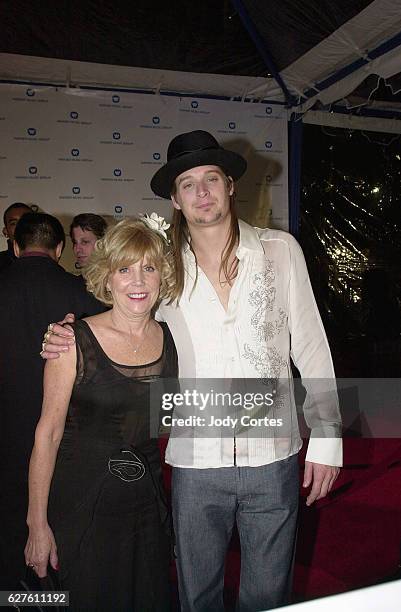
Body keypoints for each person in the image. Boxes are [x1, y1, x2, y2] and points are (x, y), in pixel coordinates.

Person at [42, 130, 342, 612]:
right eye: (188, 184)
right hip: (195, 463)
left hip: (274, 457)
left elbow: (310, 345)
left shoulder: (280, 251)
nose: (201, 192)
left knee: (269, 597)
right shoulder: (162, 267)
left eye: (211, 179)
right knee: (195, 597)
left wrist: (328, 436)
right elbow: (121, 310)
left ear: (230, 186)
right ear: (176, 201)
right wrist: (70, 331)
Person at [25, 218, 177, 611]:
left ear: (163, 275)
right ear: (107, 278)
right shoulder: (71, 340)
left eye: (148, 267)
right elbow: (48, 434)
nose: (138, 281)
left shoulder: (172, 339)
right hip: (82, 510)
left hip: (145, 511)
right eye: (124, 269)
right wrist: (36, 524)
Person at [0, 212, 106, 590]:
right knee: (58, 551)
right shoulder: (84, 297)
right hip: (65, 447)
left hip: (5, 443)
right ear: (59, 249)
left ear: (14, 247)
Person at [0, 202, 32, 272]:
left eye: (26, 221)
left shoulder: (47, 261)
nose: (20, 226)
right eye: (13, 223)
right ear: (5, 231)